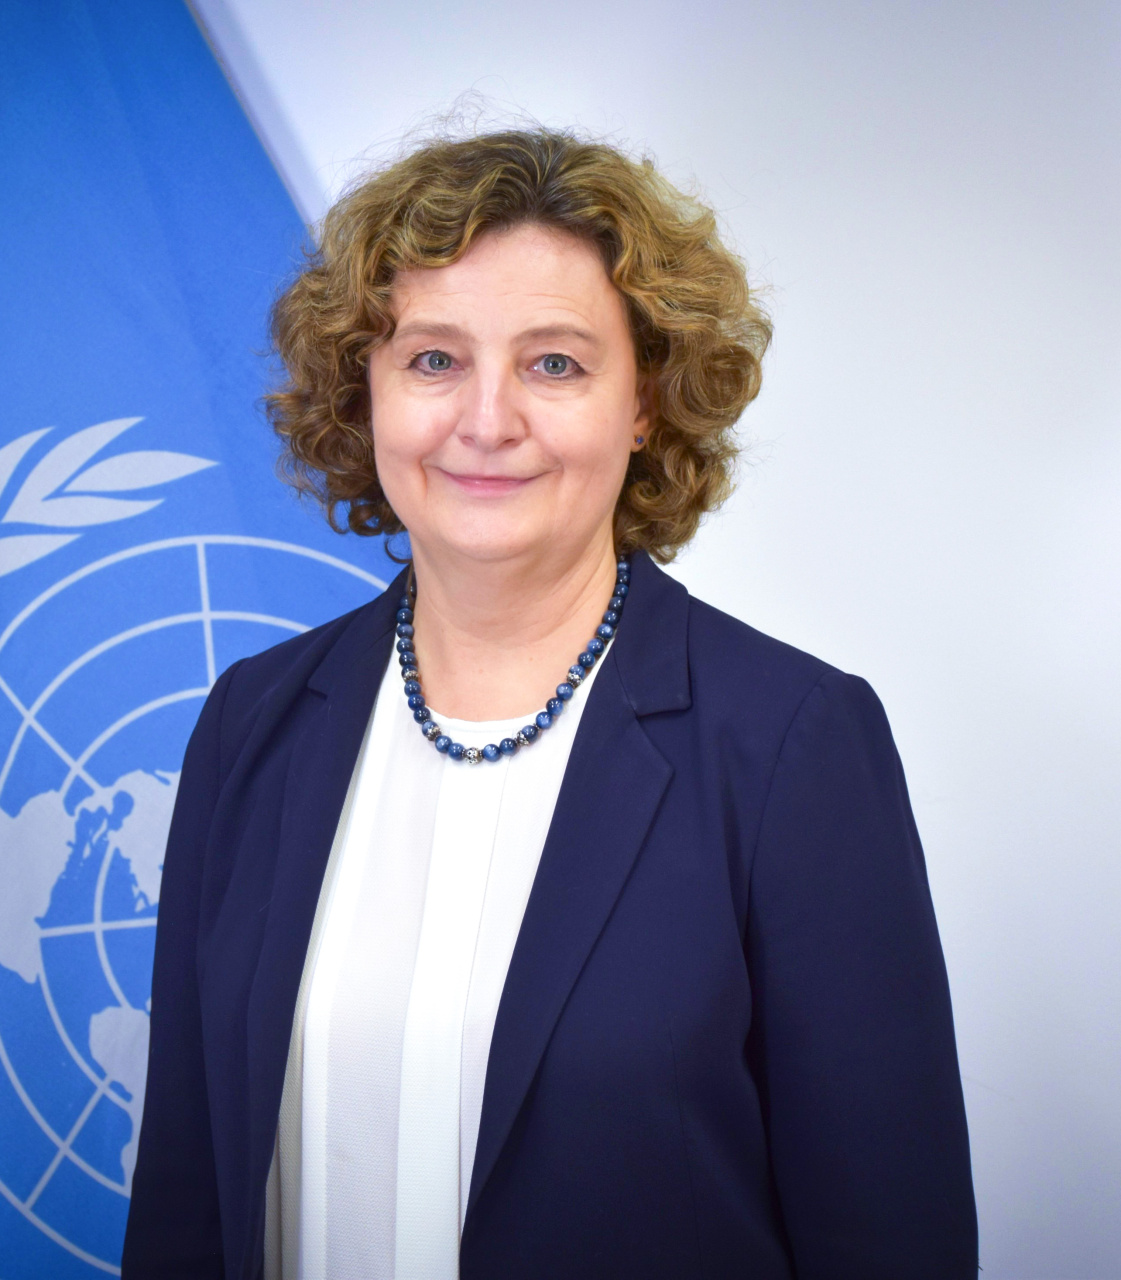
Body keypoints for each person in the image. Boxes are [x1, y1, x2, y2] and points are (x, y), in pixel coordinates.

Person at [124, 128, 976, 1280]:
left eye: (555, 363)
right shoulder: (253, 724)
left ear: (645, 402)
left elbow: (891, 1245)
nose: (487, 419)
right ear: (362, 388)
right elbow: (184, 1200)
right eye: (433, 359)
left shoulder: (792, 746)